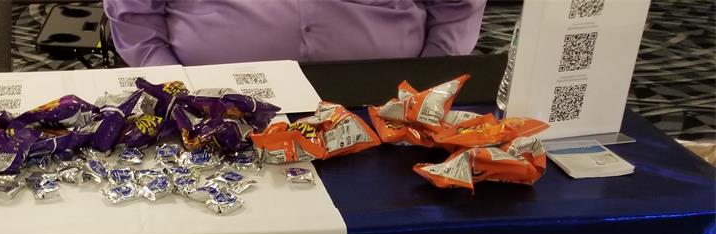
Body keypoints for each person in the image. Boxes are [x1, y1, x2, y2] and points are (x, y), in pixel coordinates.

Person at [103, 0, 487, 66]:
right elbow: (134, 11)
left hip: (385, 99)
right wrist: (175, 87)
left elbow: (457, 6)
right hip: (210, 97)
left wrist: (429, 83)